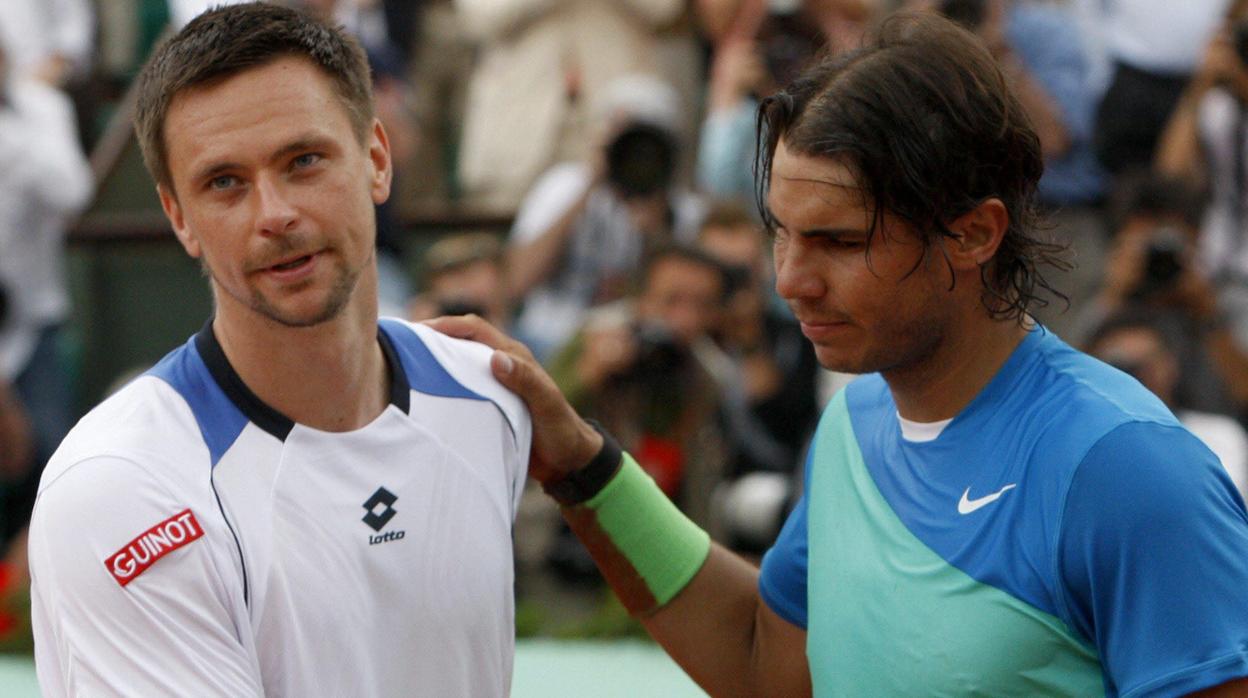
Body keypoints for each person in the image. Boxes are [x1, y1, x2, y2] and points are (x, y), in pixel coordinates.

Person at [429, 11, 1248, 696]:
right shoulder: (857, 420)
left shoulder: (1128, 472)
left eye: (839, 241)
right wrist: (577, 461)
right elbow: (766, 661)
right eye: (781, 233)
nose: (790, 280)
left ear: (973, 234)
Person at [28, 5, 531, 697]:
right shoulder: (119, 484)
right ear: (180, 219)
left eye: (303, 161)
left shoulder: (491, 393)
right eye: (225, 182)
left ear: (377, 160)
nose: (274, 215)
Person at [1086, 308, 1248, 498]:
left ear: (1169, 365)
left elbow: (1211, 506)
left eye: (1144, 364)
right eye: (1119, 366)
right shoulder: (1080, 444)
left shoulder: (1216, 434)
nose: (1133, 378)